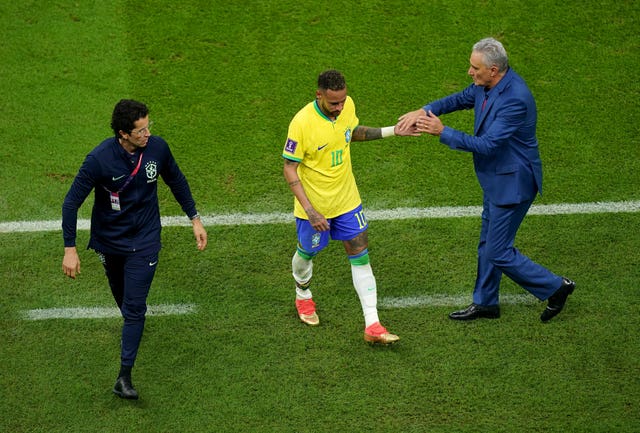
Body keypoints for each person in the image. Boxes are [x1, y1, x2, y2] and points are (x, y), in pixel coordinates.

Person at [398, 38, 575, 322]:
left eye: (474, 67)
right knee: (488, 243)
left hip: (513, 184)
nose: (470, 72)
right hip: (496, 179)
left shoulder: (515, 99)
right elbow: (460, 98)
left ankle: (556, 287)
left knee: (498, 251)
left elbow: (488, 145)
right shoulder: (487, 85)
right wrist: (426, 110)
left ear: (493, 70)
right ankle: (486, 303)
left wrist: (442, 131)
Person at [62, 99, 207, 399]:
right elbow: (70, 203)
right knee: (123, 298)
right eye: (140, 130)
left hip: (145, 239)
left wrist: (195, 219)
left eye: (148, 127)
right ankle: (132, 325)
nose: (147, 134)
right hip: (109, 240)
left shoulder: (158, 149)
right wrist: (69, 248)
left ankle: (123, 376)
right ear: (122, 133)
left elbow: (176, 181)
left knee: (134, 307)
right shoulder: (99, 160)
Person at [282, 69, 418, 344]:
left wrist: (394, 131)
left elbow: (350, 132)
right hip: (314, 207)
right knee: (306, 254)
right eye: (334, 103)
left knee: (360, 254)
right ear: (318, 95)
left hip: (347, 200)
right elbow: (289, 168)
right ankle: (303, 295)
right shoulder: (301, 123)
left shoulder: (347, 105)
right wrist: (310, 211)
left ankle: (373, 325)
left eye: (343, 101)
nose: (340, 107)